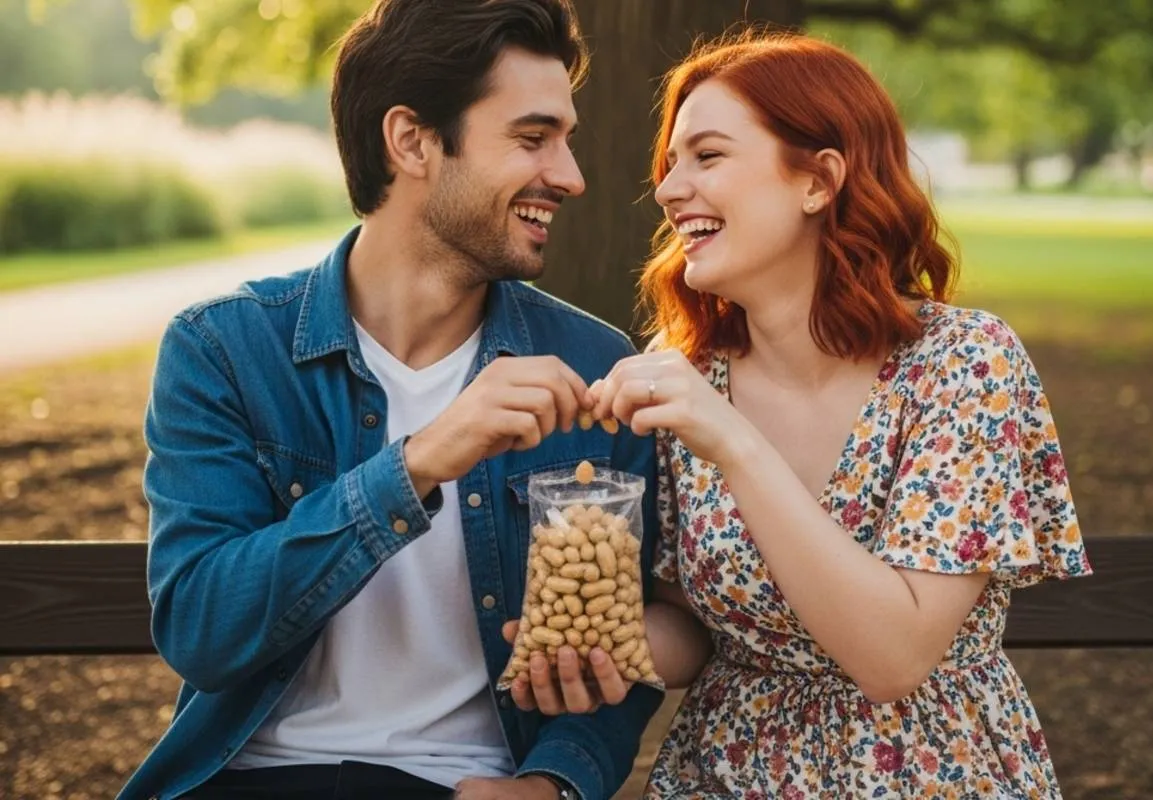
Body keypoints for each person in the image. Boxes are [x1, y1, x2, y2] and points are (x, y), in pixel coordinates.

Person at [513, 30, 1092, 798]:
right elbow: (693, 618)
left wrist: (734, 444)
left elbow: (892, 658)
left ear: (818, 180)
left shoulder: (962, 363)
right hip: (724, 773)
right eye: (670, 163)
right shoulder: (690, 373)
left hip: (926, 774)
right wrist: (608, 647)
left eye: (708, 156)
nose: (667, 189)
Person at [116, 1, 663, 799]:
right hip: (251, 778)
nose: (572, 175)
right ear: (411, 141)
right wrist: (415, 466)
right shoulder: (225, 351)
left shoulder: (594, 366)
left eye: (566, 139)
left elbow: (619, 650)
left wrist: (553, 783)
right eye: (532, 137)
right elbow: (201, 628)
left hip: (461, 787)